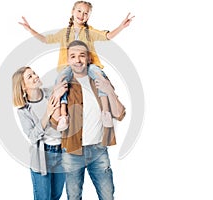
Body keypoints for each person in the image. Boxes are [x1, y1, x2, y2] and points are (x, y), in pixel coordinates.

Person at [18, 1, 134, 131]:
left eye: (86, 13)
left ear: (89, 16)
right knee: (60, 81)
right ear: (72, 12)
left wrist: (121, 27)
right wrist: (30, 29)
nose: (82, 15)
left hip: (89, 65)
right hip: (67, 67)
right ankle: (63, 116)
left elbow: (107, 36)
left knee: (100, 76)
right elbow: (46, 39)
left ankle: (106, 111)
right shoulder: (64, 33)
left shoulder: (90, 32)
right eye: (79, 11)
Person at [50, 40, 126, 200]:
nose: (77, 60)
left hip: (99, 149)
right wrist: (56, 97)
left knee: (107, 196)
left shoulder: (98, 79)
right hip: (72, 152)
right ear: (68, 60)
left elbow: (120, 114)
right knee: (74, 196)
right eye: (73, 56)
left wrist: (109, 91)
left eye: (81, 55)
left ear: (88, 58)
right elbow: (55, 122)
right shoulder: (63, 83)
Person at [12, 66, 68, 200]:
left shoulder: (51, 92)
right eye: (29, 77)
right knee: (43, 197)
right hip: (42, 158)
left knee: (56, 196)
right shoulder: (24, 111)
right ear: (23, 87)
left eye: (34, 73)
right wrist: (47, 114)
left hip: (62, 152)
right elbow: (32, 137)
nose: (36, 76)